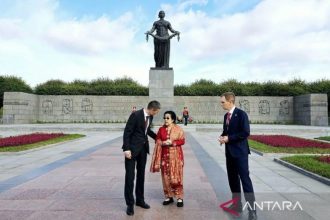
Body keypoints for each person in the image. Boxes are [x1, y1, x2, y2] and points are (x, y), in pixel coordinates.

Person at [218, 92, 257, 220]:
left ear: (230, 101)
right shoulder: (226, 116)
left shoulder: (241, 114)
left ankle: (252, 211)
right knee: (233, 180)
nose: (221, 104)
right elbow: (227, 131)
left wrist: (229, 138)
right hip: (229, 153)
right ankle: (236, 205)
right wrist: (223, 136)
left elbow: (245, 132)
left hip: (240, 153)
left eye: (223, 102)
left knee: (245, 181)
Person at [122, 100, 161, 216]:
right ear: (152, 109)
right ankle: (130, 204)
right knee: (130, 177)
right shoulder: (135, 115)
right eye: (156, 112)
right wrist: (126, 149)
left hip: (143, 150)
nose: (156, 114)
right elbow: (127, 132)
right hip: (132, 150)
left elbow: (146, 130)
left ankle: (140, 200)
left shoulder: (150, 117)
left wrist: (158, 138)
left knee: (141, 176)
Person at [150, 110, 185, 207]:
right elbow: (157, 139)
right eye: (164, 118)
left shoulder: (178, 129)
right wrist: (161, 142)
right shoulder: (161, 129)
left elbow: (182, 141)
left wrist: (173, 143)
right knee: (165, 177)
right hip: (164, 157)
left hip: (176, 157)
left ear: (173, 119)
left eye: (168, 118)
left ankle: (179, 197)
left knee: (177, 177)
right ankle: (169, 196)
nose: (165, 119)